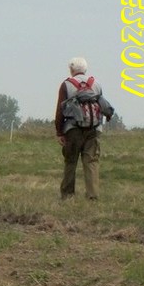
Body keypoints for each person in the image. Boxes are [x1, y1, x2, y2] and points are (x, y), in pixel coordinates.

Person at [54, 57, 112, 200]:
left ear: (71, 69)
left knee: (71, 161)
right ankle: (92, 195)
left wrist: (59, 132)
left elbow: (60, 110)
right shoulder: (96, 84)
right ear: (85, 69)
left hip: (73, 129)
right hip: (94, 128)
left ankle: (68, 195)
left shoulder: (67, 85)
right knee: (91, 161)